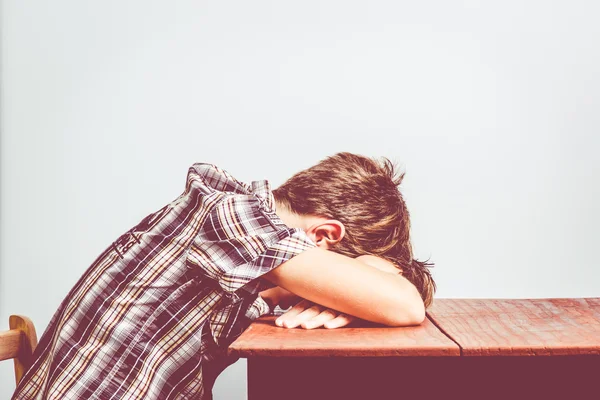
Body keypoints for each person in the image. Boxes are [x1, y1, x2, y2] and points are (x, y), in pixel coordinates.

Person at [12, 152, 436, 400]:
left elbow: (404, 290)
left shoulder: (248, 259)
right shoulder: (234, 219)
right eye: (340, 271)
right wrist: (363, 286)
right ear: (324, 236)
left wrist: (364, 279)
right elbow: (403, 304)